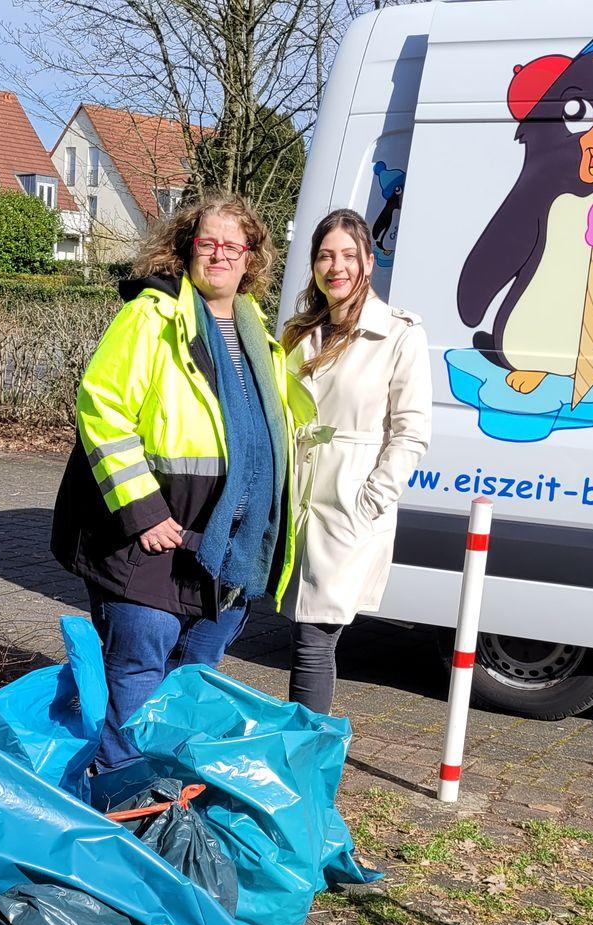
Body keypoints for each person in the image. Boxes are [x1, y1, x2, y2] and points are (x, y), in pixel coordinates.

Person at [52, 193, 308, 772]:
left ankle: (166, 795)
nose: (219, 255)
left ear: (251, 258)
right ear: (188, 249)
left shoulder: (259, 338)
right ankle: (123, 803)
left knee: (191, 687)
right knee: (139, 678)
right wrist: (142, 509)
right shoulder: (151, 317)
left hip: (221, 556)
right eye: (208, 243)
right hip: (151, 543)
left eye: (232, 246)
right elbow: (102, 407)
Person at [279, 208, 431, 714]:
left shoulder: (400, 334)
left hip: (349, 501)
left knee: (315, 639)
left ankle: (305, 763)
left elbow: (412, 433)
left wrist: (370, 502)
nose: (336, 266)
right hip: (296, 498)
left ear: (369, 260)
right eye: (325, 255)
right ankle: (300, 758)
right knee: (299, 634)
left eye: (348, 255)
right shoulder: (299, 332)